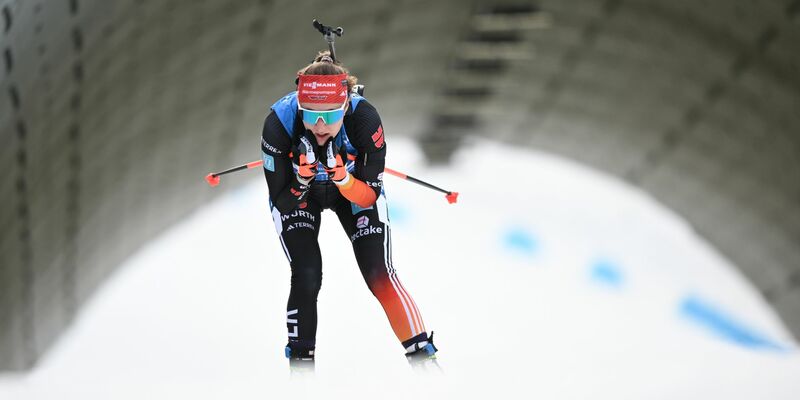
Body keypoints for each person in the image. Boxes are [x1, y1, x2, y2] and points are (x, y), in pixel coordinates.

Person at [260, 50, 438, 372]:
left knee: (379, 273)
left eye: (328, 115)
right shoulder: (279, 123)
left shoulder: (365, 120)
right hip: (301, 194)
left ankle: (423, 357)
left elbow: (368, 196)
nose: (318, 126)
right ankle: (301, 374)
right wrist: (302, 179)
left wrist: (342, 179)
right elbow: (283, 201)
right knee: (307, 273)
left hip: (352, 189)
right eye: (309, 113)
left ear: (345, 105)